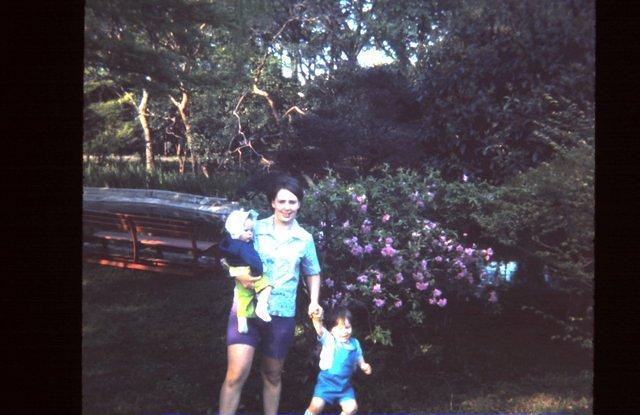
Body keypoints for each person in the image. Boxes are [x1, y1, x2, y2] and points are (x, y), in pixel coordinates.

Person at [218, 175, 323, 415]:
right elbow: (226, 255)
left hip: (282, 314)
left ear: (299, 204)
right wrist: (237, 275)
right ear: (273, 203)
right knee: (236, 374)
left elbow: (313, 271)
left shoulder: (304, 239)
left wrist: (314, 301)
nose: (288, 207)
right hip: (246, 311)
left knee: (273, 375)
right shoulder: (254, 228)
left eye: (293, 202)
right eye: (282, 201)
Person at [304, 307, 372, 415]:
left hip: (344, 386)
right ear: (331, 330)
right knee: (315, 408)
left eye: (347, 327)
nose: (345, 332)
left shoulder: (355, 343)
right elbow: (320, 329)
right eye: (340, 329)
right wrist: (316, 318)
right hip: (326, 383)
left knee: (351, 409)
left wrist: (363, 365)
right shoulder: (329, 340)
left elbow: (359, 356)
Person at [219, 209, 273, 333]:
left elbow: (223, 258)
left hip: (237, 272)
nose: (250, 234)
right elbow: (253, 261)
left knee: (243, 296)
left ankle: (242, 321)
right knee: (267, 286)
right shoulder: (244, 247)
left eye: (251, 231)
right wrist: (259, 271)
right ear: (237, 231)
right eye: (246, 230)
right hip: (251, 272)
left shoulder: (228, 243)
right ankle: (261, 306)